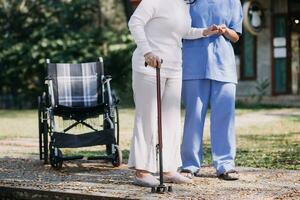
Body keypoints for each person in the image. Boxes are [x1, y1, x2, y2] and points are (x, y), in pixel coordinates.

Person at [127, 0, 219, 187]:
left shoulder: (184, 5)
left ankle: (168, 169)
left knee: (171, 120)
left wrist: (203, 32)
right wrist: (147, 51)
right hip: (149, 67)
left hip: (174, 68)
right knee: (148, 118)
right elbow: (135, 22)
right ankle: (142, 172)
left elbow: (182, 32)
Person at [180, 0, 243, 180]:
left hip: (223, 65)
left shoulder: (233, 1)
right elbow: (180, 30)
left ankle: (225, 165)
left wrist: (224, 31)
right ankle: (189, 165)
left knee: (224, 117)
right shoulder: (188, 1)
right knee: (194, 115)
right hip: (193, 64)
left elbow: (236, 35)